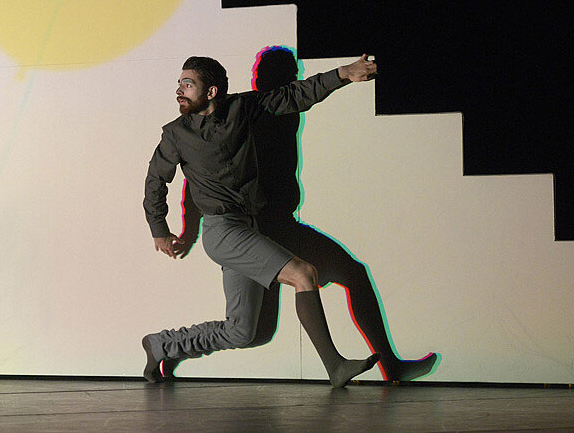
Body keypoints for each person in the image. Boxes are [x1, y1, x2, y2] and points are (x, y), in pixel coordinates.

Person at [171, 47, 438, 382]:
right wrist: (189, 231)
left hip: (281, 226)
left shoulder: (283, 108)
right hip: (254, 231)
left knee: (343, 279)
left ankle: (388, 366)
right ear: (259, 79)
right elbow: (197, 176)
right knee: (252, 331)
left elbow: (306, 91)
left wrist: (344, 74)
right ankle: (165, 346)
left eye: (291, 75)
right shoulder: (243, 114)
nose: (289, 80)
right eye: (277, 75)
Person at [141, 54, 380, 387]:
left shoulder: (243, 109)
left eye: (188, 84)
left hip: (252, 227)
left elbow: (296, 94)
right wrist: (160, 229)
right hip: (222, 231)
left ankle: (161, 345)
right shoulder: (176, 134)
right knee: (303, 273)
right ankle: (335, 366)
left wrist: (343, 74)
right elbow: (156, 181)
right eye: (179, 84)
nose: (179, 90)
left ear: (211, 91)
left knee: (245, 332)